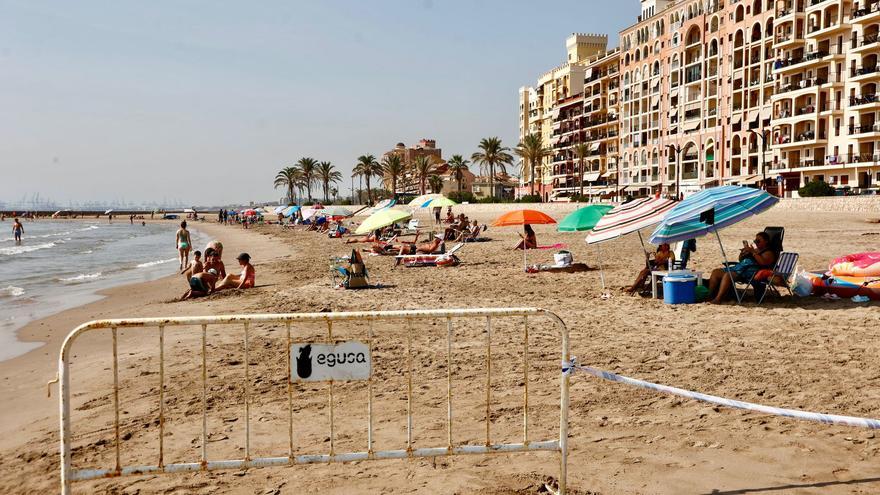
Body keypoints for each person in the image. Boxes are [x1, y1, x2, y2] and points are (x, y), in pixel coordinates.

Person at [707, 232, 777, 304]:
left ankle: (718, 299)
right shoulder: (755, 250)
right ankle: (710, 296)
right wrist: (743, 253)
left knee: (728, 275)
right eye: (755, 241)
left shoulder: (769, 253)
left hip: (751, 272)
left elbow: (763, 263)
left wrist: (753, 253)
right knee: (716, 272)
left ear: (766, 241)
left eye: (758, 241)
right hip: (740, 268)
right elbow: (740, 260)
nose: (756, 243)